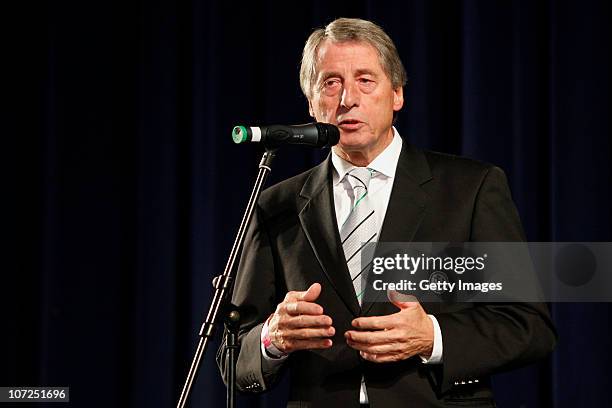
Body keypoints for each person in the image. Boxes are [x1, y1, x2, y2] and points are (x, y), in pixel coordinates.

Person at [217, 17, 556, 407]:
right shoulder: (277, 204)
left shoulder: (471, 189)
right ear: (312, 103)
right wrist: (271, 339)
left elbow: (529, 327)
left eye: (365, 80)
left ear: (396, 94)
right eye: (330, 83)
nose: (347, 98)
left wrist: (432, 336)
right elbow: (234, 359)